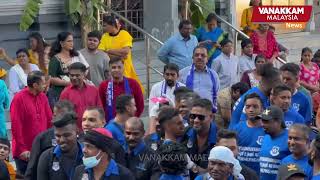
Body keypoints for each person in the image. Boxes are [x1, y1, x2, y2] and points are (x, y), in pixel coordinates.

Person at [10, 70, 52, 175]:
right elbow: (16, 126)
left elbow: (50, 119)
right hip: (25, 151)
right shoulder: (18, 98)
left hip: (42, 149)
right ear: (35, 85)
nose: (45, 85)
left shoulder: (43, 96)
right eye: (43, 83)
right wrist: (22, 149)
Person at [24, 100, 74, 180]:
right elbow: (31, 170)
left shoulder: (82, 142)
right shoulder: (42, 138)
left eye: (63, 117)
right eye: (56, 116)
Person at [99, 15, 143, 92]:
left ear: (112, 25)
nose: (104, 28)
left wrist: (109, 50)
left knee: (127, 89)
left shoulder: (124, 34)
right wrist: (120, 54)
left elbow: (126, 51)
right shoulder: (104, 36)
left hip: (125, 67)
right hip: (111, 68)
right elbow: (101, 52)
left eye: (105, 26)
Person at [230, 63, 281, 128]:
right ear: (274, 82)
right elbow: (245, 124)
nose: (280, 86)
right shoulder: (254, 98)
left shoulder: (259, 93)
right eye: (279, 83)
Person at [37, 112, 83, 180]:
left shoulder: (88, 156)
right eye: (58, 136)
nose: (62, 140)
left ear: (77, 132)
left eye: (66, 135)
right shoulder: (47, 157)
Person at [48, 32, 89, 107]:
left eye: (72, 41)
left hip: (79, 90)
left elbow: (86, 69)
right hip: (60, 93)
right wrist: (69, 83)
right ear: (61, 43)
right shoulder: (55, 59)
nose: (71, 43)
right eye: (69, 41)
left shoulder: (77, 55)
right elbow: (52, 79)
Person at [99, 57, 144, 122]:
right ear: (109, 69)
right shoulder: (103, 85)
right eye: (114, 67)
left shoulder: (133, 83)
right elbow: (101, 106)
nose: (116, 70)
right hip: (109, 123)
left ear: (123, 68)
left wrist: (134, 118)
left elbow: (140, 105)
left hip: (130, 123)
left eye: (119, 67)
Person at [230, 93, 265, 174]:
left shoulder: (268, 130)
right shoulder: (236, 129)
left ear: (262, 109)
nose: (251, 109)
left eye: (255, 106)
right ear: (244, 109)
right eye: (248, 106)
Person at [60, 62, 102, 129]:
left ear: (84, 74)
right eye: (71, 75)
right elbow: (62, 115)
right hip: (74, 132)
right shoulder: (65, 93)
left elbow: (100, 111)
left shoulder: (94, 90)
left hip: (93, 130)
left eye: (77, 75)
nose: (74, 78)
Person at [184, 99, 218, 177]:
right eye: (192, 116)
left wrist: (192, 166)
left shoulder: (220, 138)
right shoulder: (184, 133)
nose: (196, 120)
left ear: (211, 117)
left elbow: (215, 172)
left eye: (201, 117)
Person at [179, 45, 220, 110]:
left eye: (203, 55)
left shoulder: (214, 75)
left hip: (207, 113)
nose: (199, 57)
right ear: (192, 57)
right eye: (197, 55)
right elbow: (178, 95)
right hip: (187, 114)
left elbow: (216, 95)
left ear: (207, 59)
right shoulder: (182, 73)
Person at [148, 63, 184, 133]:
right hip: (160, 124)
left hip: (178, 124)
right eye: (167, 74)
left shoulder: (183, 88)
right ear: (163, 74)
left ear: (178, 76)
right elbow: (151, 109)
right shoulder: (156, 88)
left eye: (172, 75)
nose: (169, 77)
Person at [259, 106, 290, 180]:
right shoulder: (266, 136)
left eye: (266, 121)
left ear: (278, 122)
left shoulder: (290, 138)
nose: (262, 124)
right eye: (262, 121)